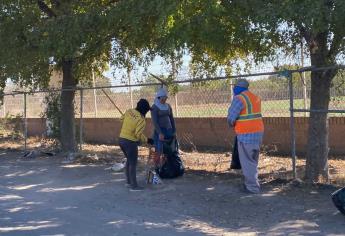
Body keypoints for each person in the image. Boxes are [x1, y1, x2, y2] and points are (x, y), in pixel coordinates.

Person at [227, 79, 264, 194]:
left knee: (247, 162)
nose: (234, 89)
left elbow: (231, 118)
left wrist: (231, 123)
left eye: (235, 87)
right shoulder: (255, 98)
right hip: (258, 132)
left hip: (245, 134)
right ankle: (253, 183)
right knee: (253, 160)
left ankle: (252, 187)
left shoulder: (239, 99)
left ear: (238, 88)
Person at [119, 99, 154, 191]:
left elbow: (121, 119)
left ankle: (128, 182)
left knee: (129, 161)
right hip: (130, 142)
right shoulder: (141, 120)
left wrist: (129, 122)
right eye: (147, 110)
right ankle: (134, 186)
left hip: (121, 140)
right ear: (144, 110)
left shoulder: (129, 111)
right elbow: (138, 134)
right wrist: (148, 140)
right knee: (133, 164)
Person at [151, 87, 176, 156]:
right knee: (160, 148)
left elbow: (171, 118)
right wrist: (160, 133)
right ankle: (159, 165)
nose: (164, 100)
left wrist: (174, 130)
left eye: (165, 99)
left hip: (169, 129)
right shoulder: (154, 107)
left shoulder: (168, 106)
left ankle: (168, 164)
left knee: (170, 148)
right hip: (160, 130)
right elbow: (155, 121)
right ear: (158, 98)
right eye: (163, 99)